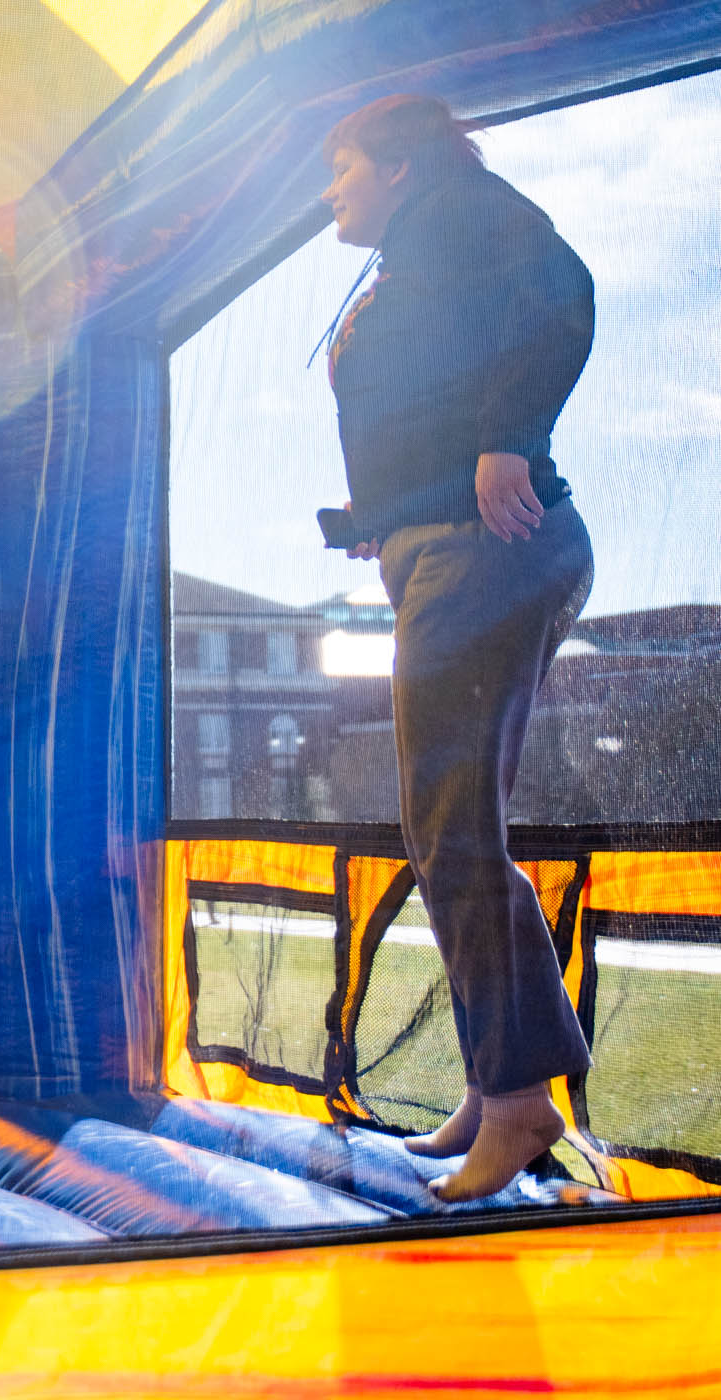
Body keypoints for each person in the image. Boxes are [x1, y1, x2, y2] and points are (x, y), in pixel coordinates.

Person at [317, 95, 596, 1201]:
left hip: (488, 548)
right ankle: (500, 1081)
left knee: (445, 825)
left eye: (338, 166)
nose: (328, 188)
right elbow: (426, 390)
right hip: (445, 546)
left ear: (394, 162)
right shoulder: (415, 243)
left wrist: (506, 439)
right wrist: (379, 516)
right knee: (452, 827)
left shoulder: (454, 208)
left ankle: (520, 1102)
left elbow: (562, 298)